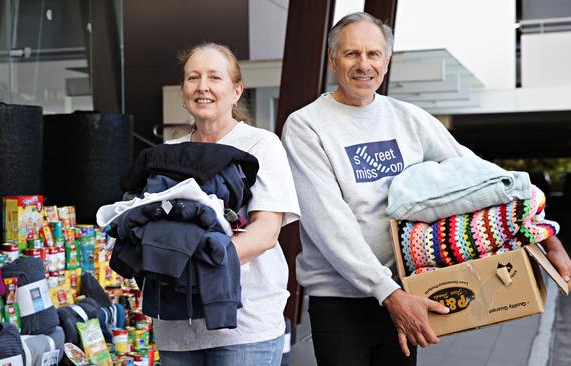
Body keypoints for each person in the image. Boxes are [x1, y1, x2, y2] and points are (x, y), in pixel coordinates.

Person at [281, 11, 571, 366]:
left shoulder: (409, 118)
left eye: (373, 54)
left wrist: (545, 236)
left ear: (386, 61)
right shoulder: (306, 126)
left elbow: (478, 176)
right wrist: (387, 294)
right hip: (342, 300)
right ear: (332, 59)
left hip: (409, 291)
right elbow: (329, 223)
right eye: (351, 53)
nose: (363, 64)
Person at [154, 42, 300, 366]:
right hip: (176, 328)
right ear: (183, 91)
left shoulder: (261, 145)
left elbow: (265, 232)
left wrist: (197, 262)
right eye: (193, 77)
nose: (202, 86)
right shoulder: (168, 151)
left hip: (245, 329)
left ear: (236, 91)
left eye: (214, 77)